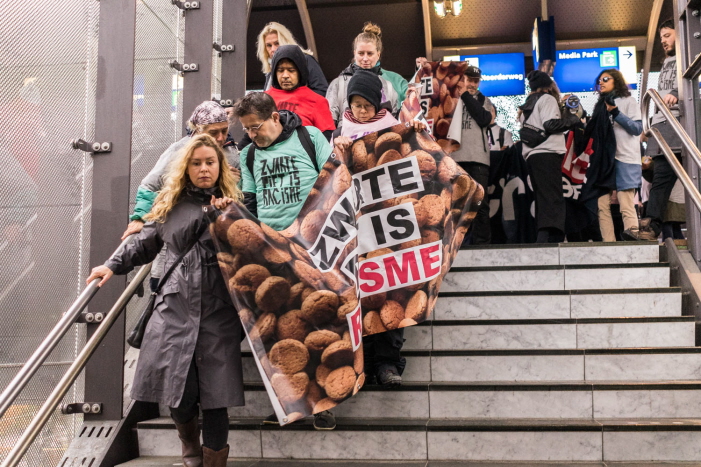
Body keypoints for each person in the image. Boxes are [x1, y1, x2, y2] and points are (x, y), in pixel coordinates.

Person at [86, 135, 244, 466]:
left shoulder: (235, 205)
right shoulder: (170, 204)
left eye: (210, 163)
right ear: (185, 167)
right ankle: (189, 448)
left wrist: (226, 217)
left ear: (220, 167)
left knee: (216, 398)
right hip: (174, 308)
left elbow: (254, 249)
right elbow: (145, 241)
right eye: (196, 163)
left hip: (219, 312)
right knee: (179, 394)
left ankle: (213, 462)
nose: (204, 169)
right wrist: (112, 266)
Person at [233, 92, 337, 430]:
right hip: (272, 257)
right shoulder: (248, 155)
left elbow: (335, 180)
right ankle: (287, 402)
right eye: (246, 129)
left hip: (313, 248)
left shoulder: (310, 138)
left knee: (320, 326)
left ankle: (322, 404)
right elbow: (248, 204)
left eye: (256, 127)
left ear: (275, 117)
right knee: (276, 336)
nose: (251, 135)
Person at [332, 71, 427, 389]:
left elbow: (418, 166)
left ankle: (388, 363)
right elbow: (333, 181)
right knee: (361, 296)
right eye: (356, 105)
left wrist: (414, 134)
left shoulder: (395, 129)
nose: (360, 111)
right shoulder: (339, 134)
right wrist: (340, 153)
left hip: (390, 227)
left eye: (366, 105)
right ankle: (366, 364)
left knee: (392, 292)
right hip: (355, 232)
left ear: (378, 104)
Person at [122, 101, 240, 291]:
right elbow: (149, 184)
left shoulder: (231, 151)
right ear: (199, 130)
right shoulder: (179, 150)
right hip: (178, 241)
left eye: (224, 131)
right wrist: (139, 218)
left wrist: (233, 181)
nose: (219, 137)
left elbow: (236, 194)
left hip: (212, 250)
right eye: (213, 132)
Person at [623, 19, 681, 241]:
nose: (664, 41)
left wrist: (675, 91)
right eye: (661, 37)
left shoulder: (688, 55)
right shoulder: (668, 61)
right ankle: (652, 226)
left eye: (668, 35)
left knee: (662, 180)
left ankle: (652, 226)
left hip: (680, 128)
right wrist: (649, 128)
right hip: (664, 129)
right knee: (659, 179)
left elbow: (686, 85)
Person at [583, 69, 642, 242]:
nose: (601, 83)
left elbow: (637, 129)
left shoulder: (629, 101)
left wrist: (616, 113)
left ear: (616, 81)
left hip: (625, 158)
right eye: (599, 80)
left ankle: (633, 244)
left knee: (626, 203)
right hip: (603, 161)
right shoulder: (599, 106)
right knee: (602, 204)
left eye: (606, 79)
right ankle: (609, 245)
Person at [519, 70, 578, 243]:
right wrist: (574, 119)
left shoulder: (527, 106)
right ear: (548, 85)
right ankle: (548, 237)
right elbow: (551, 124)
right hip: (548, 153)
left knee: (542, 195)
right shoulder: (548, 99)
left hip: (532, 155)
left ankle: (549, 234)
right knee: (553, 196)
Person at [446, 65, 495, 245]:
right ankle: (455, 244)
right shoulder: (450, 98)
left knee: (480, 203)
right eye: (469, 80)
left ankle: (482, 244)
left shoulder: (485, 100)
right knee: (456, 205)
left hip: (478, 158)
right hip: (455, 158)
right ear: (462, 79)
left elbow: (484, 119)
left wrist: (465, 95)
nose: (473, 84)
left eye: (476, 80)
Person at [326, 22, 404, 129]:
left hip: (378, 143)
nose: (365, 58)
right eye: (361, 53)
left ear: (378, 54)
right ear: (354, 53)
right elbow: (328, 122)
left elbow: (395, 124)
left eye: (370, 53)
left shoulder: (388, 86)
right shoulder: (338, 84)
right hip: (346, 143)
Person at [265, 44, 335, 139]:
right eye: (280, 70)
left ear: (300, 72)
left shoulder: (317, 101)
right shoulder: (264, 99)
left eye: (291, 70)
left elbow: (327, 139)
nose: (285, 75)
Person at [256, 22, 328, 97]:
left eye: (277, 43)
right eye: (269, 45)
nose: (273, 49)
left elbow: (322, 91)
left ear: (286, 41)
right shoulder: (270, 71)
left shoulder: (306, 60)